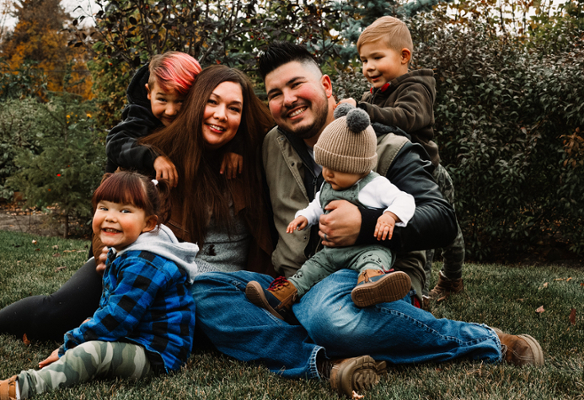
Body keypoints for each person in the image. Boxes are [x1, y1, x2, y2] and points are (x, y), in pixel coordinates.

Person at [190, 42, 543, 399]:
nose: (288, 98)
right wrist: (230, 151)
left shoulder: (388, 144)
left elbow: (441, 220)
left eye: (297, 84)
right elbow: (215, 122)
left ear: (327, 86)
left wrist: (365, 222)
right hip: (296, 281)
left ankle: (485, 340)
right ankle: (324, 360)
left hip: (368, 277)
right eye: (276, 94)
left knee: (330, 317)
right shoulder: (270, 144)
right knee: (205, 292)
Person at [0, 65, 274, 343]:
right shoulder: (157, 153)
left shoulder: (254, 155)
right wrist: (110, 251)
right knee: (55, 315)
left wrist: (237, 148)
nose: (221, 115)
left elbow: (281, 126)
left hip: (214, 287)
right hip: (139, 265)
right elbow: (111, 207)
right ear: (196, 103)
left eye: (233, 108)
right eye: (212, 102)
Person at [0, 171, 199, 399]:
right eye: (103, 207)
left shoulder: (144, 262)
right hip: (135, 336)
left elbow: (117, 319)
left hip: (156, 353)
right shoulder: (125, 250)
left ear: (148, 223)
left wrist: (69, 346)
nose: (110, 217)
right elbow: (110, 306)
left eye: (125, 210)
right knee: (90, 326)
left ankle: (19, 388)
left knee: (90, 351)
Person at [246, 106, 415, 318]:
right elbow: (318, 204)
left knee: (374, 260)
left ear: (360, 167)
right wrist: (304, 217)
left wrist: (390, 216)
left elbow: (405, 200)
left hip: (366, 249)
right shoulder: (329, 184)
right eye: (325, 166)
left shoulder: (374, 185)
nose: (327, 174)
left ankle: (372, 284)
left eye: (337, 169)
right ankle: (282, 297)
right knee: (311, 268)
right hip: (333, 253)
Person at [339, 16, 465, 299]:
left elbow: (406, 119)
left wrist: (363, 110)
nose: (368, 67)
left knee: (442, 231)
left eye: (376, 57)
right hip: (395, 174)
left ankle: (449, 279)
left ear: (403, 56)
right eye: (363, 60)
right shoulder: (371, 97)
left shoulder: (416, 88)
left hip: (427, 173)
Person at [105, 51, 244, 183]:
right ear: (149, 92)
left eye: (180, 101)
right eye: (162, 100)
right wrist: (154, 158)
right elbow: (115, 143)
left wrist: (235, 148)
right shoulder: (140, 115)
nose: (170, 111)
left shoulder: (202, 117)